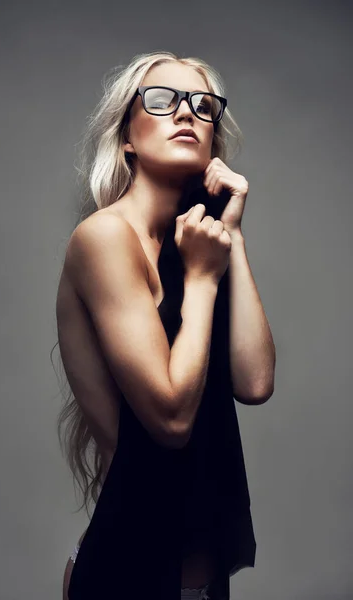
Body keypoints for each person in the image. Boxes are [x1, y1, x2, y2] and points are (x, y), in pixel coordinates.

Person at [53, 50, 275, 600]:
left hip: (201, 579)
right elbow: (171, 420)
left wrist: (233, 237)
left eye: (203, 106)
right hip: (128, 572)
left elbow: (255, 383)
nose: (185, 114)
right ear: (127, 134)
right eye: (162, 100)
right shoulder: (105, 238)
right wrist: (202, 281)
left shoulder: (194, 244)